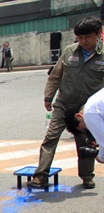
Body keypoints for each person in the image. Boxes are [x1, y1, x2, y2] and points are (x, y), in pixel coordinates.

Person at [29, 16, 103, 189]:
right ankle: (41, 175)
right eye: (79, 38)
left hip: (87, 110)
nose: (83, 41)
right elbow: (56, 75)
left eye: (87, 37)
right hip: (63, 104)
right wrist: (49, 97)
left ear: (98, 34)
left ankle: (86, 176)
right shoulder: (69, 51)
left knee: (84, 142)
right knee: (50, 138)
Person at [64, 87, 104, 164]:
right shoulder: (93, 102)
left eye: (83, 128)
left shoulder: (89, 114)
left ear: (78, 116)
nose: (87, 129)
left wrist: (100, 157)